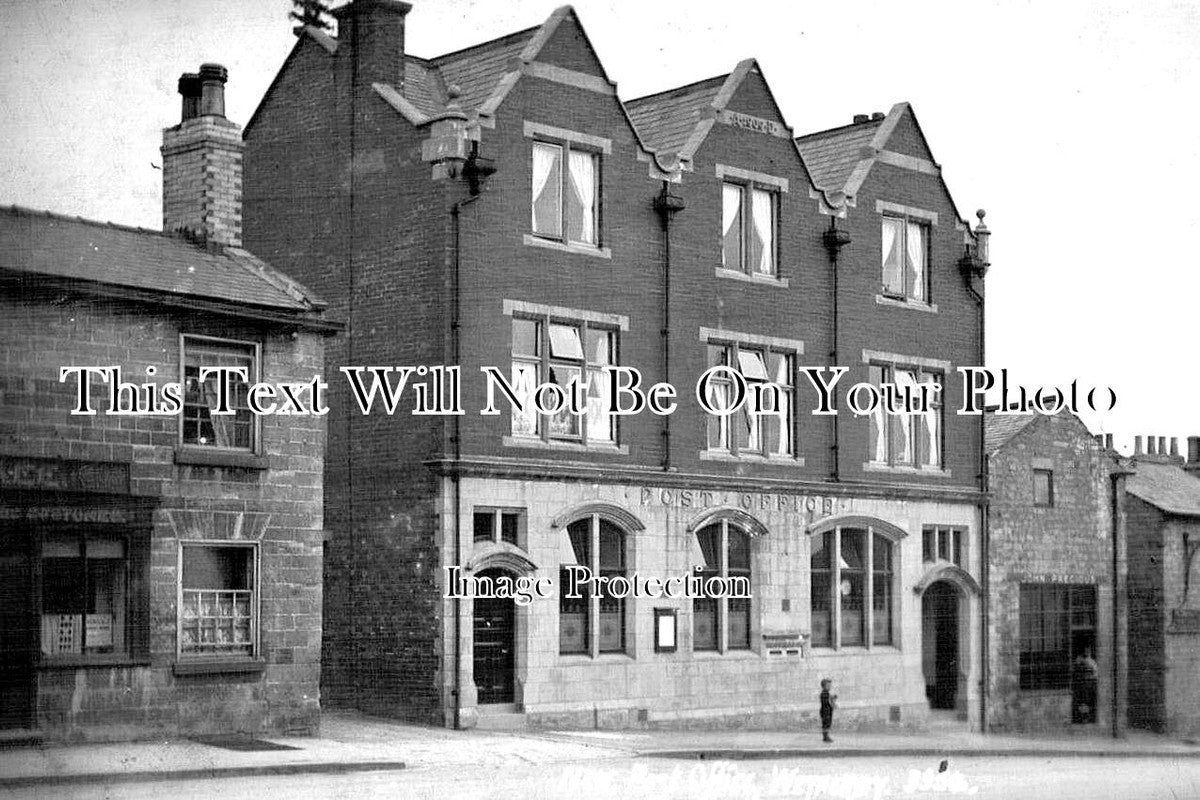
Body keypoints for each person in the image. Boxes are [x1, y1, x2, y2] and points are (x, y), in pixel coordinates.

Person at [819, 678, 837, 742]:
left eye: (830, 686)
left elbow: (829, 699)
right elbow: (827, 702)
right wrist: (833, 700)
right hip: (825, 711)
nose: (829, 687)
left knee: (827, 723)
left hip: (827, 711)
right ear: (824, 686)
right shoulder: (824, 693)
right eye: (828, 686)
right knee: (826, 724)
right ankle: (825, 737)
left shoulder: (826, 693)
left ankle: (826, 736)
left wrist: (832, 698)